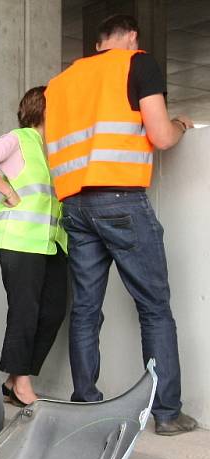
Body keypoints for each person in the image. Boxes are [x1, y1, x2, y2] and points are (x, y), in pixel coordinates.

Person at [45, 15, 196, 436]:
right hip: (120, 199)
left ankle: (86, 404)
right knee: (154, 308)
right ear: (131, 37)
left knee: (86, 310)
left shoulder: (61, 83)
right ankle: (166, 413)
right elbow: (162, 136)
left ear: (97, 43)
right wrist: (183, 124)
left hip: (74, 204)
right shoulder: (136, 62)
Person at [0, 87, 68, 406]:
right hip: (18, 240)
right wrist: (9, 194)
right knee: (26, 310)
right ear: (44, 109)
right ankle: (23, 383)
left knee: (52, 310)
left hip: (49, 244)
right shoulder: (20, 138)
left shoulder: (50, 149)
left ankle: (14, 380)